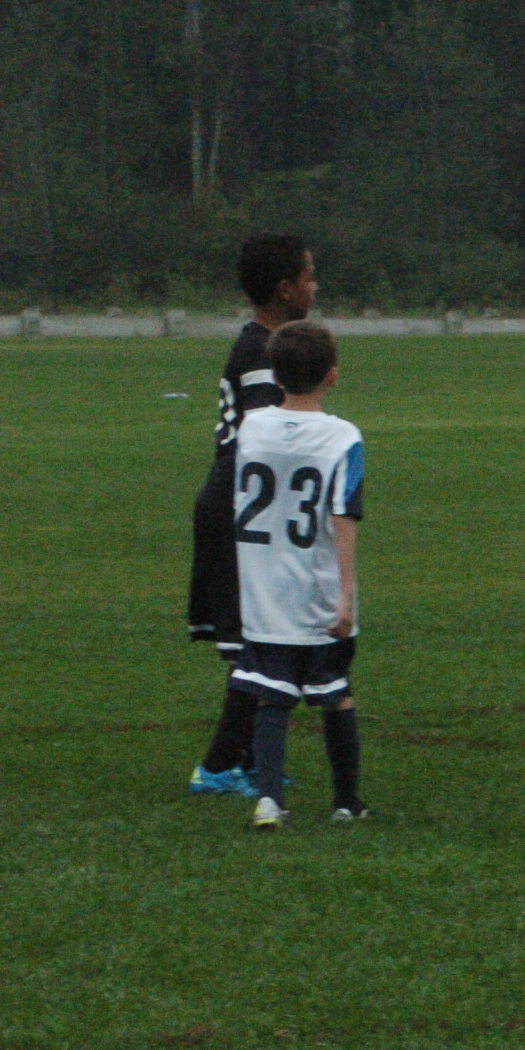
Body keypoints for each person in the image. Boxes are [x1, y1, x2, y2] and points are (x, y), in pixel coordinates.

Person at [186, 234, 318, 795]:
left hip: (245, 503)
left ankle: (246, 759)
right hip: (240, 507)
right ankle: (219, 767)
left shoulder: (263, 345)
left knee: (263, 639)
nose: (315, 288)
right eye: (309, 278)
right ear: (286, 290)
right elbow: (268, 443)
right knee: (258, 642)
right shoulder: (264, 355)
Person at [227, 321, 368, 830]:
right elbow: (344, 516)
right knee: (336, 693)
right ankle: (346, 802)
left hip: (263, 592)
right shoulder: (343, 437)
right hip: (318, 592)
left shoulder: (251, 427)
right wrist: (346, 596)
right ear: (332, 376)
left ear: (275, 375)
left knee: (271, 694)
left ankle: (269, 800)